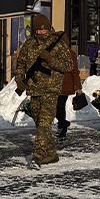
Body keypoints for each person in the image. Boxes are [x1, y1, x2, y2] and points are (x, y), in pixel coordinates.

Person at [13, 14, 76, 166]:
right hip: (34, 90)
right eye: (38, 30)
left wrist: (50, 60)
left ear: (49, 28)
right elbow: (21, 63)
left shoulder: (57, 44)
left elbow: (69, 66)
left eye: (44, 29)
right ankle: (52, 153)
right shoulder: (28, 44)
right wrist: (19, 78)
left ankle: (38, 155)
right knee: (39, 121)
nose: (42, 32)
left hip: (51, 90)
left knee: (44, 124)